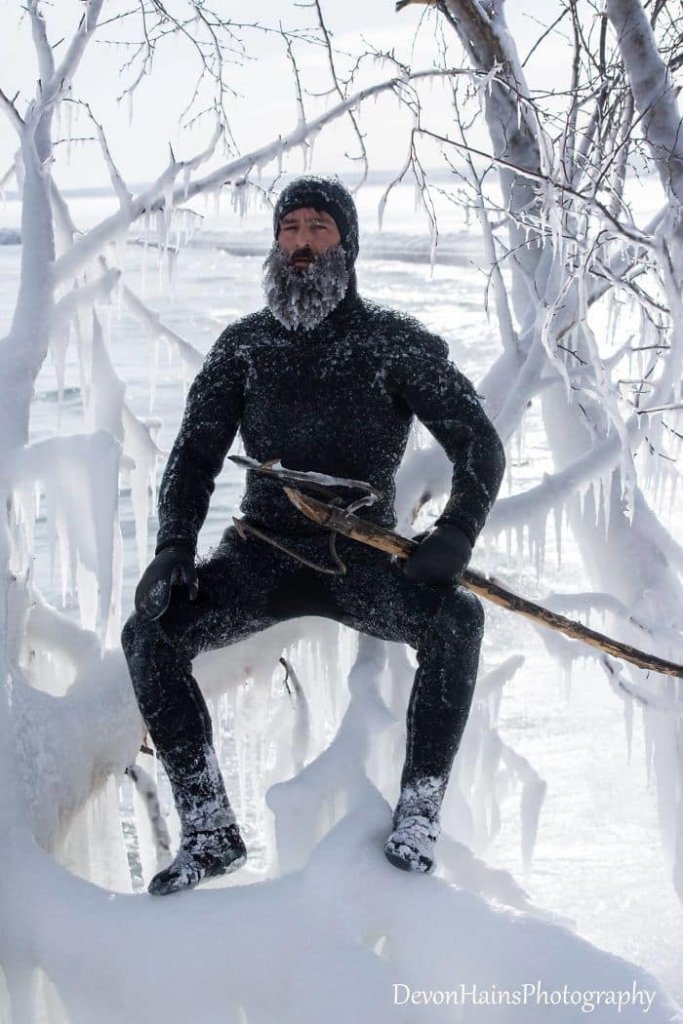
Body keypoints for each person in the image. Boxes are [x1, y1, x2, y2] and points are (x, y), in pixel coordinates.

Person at [122, 175, 505, 896]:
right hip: (258, 556)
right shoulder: (244, 347)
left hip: (357, 560)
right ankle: (209, 830)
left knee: (456, 620)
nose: (300, 243)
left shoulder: (394, 343)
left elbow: (477, 443)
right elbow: (194, 456)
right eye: (289, 228)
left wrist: (456, 533)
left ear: (346, 244)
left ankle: (418, 815)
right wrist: (173, 546)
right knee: (148, 634)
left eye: (317, 228)